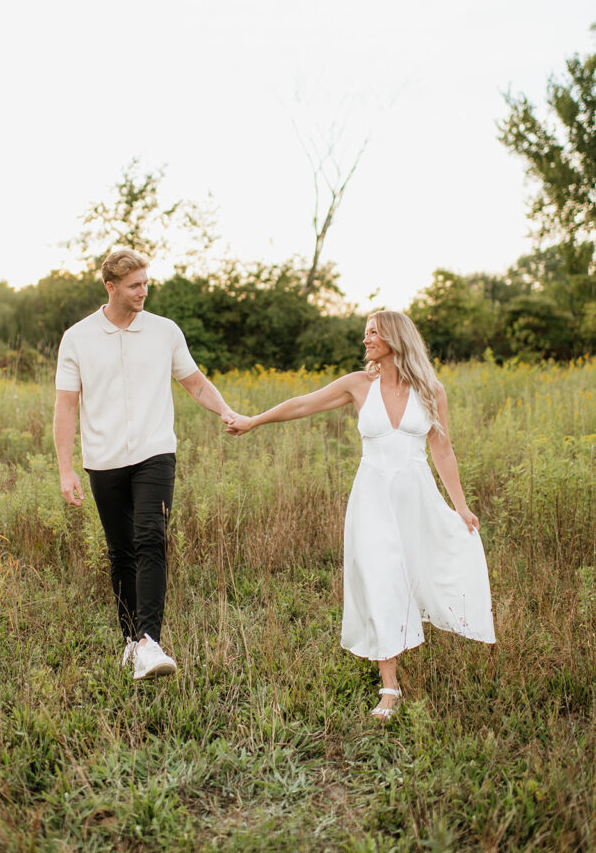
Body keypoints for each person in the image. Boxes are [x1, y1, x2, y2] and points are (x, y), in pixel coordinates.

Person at [226, 310, 495, 721]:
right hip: (371, 497)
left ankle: (411, 639)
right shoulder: (358, 385)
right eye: (366, 333)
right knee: (381, 578)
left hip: (416, 497)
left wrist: (460, 504)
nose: (366, 339)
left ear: (395, 337)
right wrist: (254, 421)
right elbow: (302, 404)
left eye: (373, 333)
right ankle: (390, 687)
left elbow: (442, 449)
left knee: (417, 574)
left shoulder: (430, 390)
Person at [54, 248, 236, 680]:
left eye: (146, 283)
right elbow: (65, 407)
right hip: (104, 459)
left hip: (156, 452)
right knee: (121, 553)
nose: (143, 292)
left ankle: (149, 643)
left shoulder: (164, 331)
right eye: (135, 285)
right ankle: (131, 642)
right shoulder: (77, 338)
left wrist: (226, 411)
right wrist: (65, 467)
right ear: (110, 286)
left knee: (151, 538)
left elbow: (194, 383)